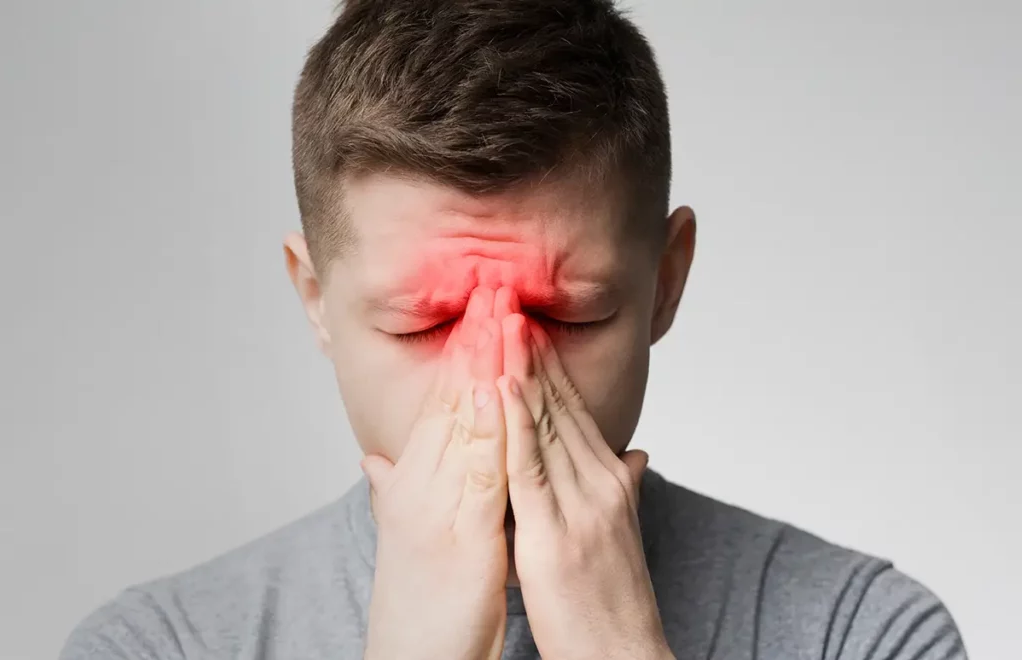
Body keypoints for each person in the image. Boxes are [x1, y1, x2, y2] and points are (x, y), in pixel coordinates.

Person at [60, 1, 968, 658]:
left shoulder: (864, 632)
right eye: (424, 324)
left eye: (567, 314)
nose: (502, 387)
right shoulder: (153, 647)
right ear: (315, 300)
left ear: (666, 283)